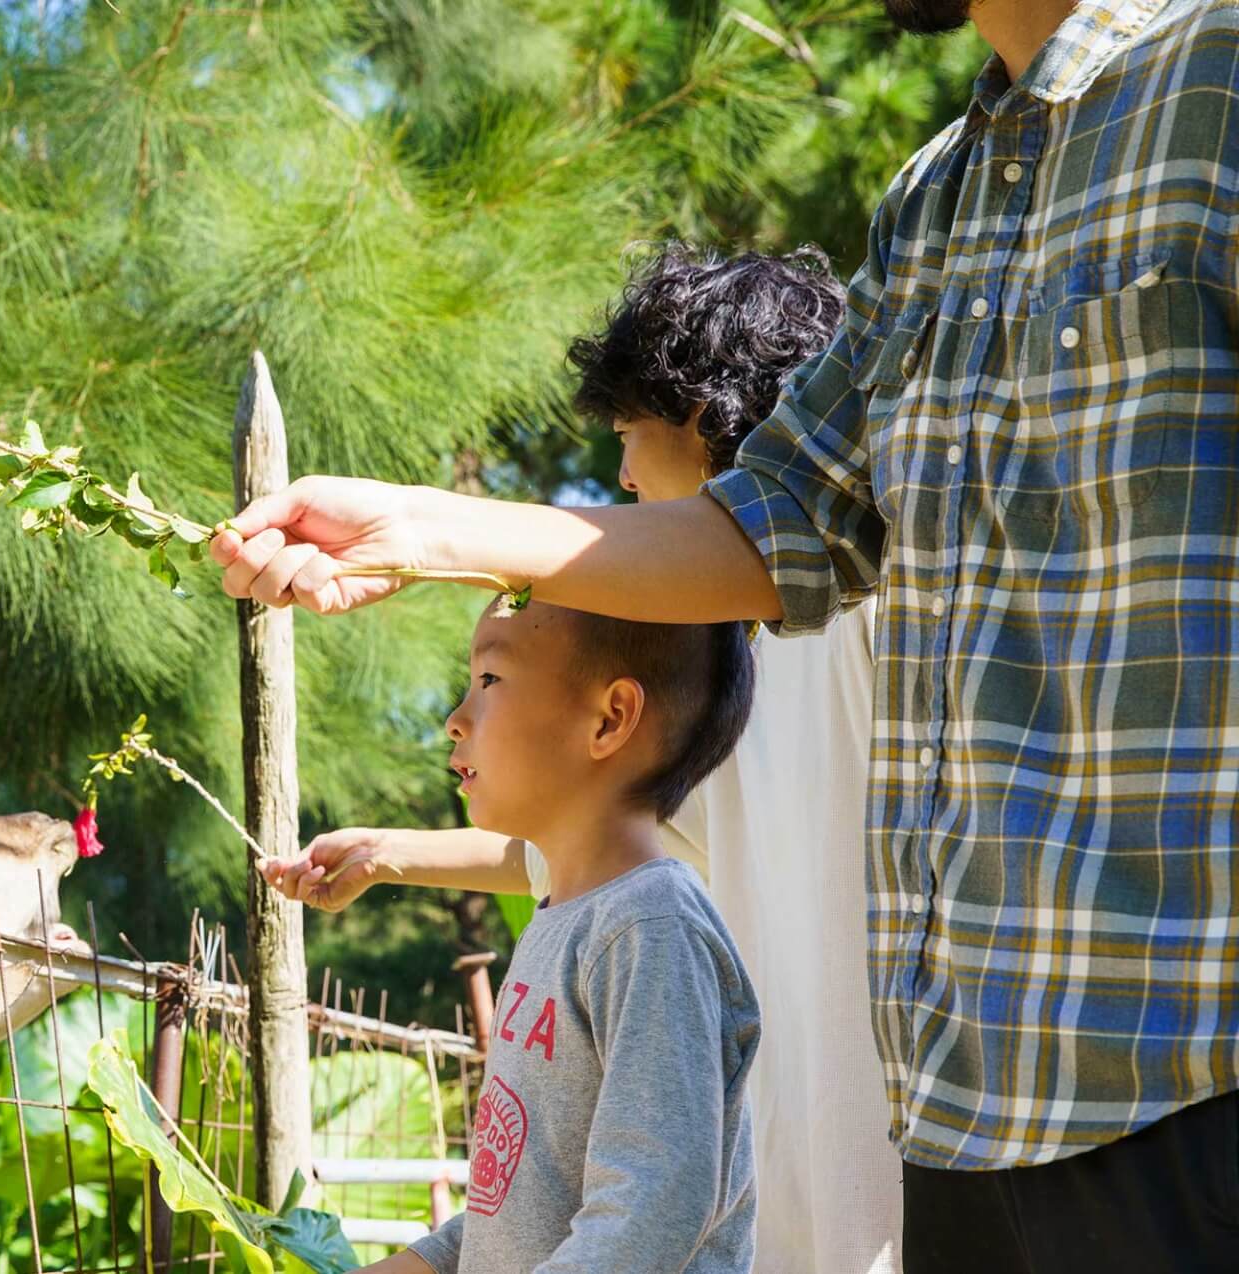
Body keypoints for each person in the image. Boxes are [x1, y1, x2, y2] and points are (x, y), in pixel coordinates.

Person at [215, 2, 1239, 1269]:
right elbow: (780, 519)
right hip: (965, 1134)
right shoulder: (935, 200)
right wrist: (420, 528)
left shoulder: (1218, 78)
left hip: (1187, 1096)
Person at [266, 245, 900, 1274]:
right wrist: (387, 852)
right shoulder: (720, 677)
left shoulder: (864, 625)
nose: (619, 478)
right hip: (774, 1216)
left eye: (626, 438)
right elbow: (589, 845)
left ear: (701, 417)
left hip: (880, 1208)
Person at [359, 595, 758, 1274]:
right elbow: (520, 1204)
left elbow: (647, 1216)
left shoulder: (651, 929)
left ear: (609, 719)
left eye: (488, 681)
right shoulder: (566, 920)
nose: (455, 720)